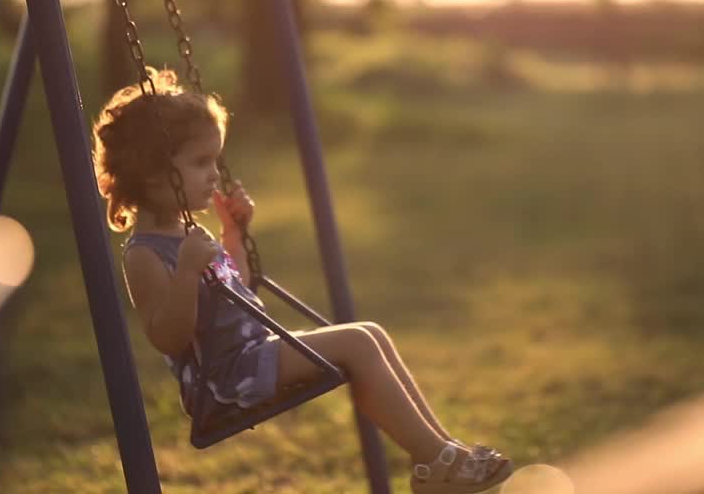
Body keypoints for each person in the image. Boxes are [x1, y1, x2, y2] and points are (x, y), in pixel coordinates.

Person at [91, 68, 513, 493]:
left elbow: (238, 291)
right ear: (151, 173)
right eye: (201, 162)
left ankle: (439, 458)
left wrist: (233, 235)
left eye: (215, 161)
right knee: (358, 343)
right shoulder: (145, 254)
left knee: (371, 333)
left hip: (250, 356)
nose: (215, 174)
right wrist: (185, 271)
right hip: (223, 381)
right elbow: (168, 337)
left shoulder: (188, 235)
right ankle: (438, 460)